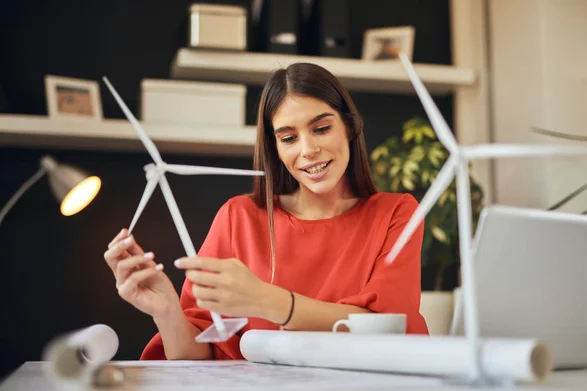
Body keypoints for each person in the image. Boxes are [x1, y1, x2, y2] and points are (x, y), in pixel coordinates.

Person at [103, 62, 429, 361]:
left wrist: (268, 301)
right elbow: (197, 357)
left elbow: (387, 328)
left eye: (321, 128)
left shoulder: (396, 213)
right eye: (289, 137)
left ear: (350, 126)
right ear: (275, 148)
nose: (308, 149)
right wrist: (166, 310)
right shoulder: (239, 217)